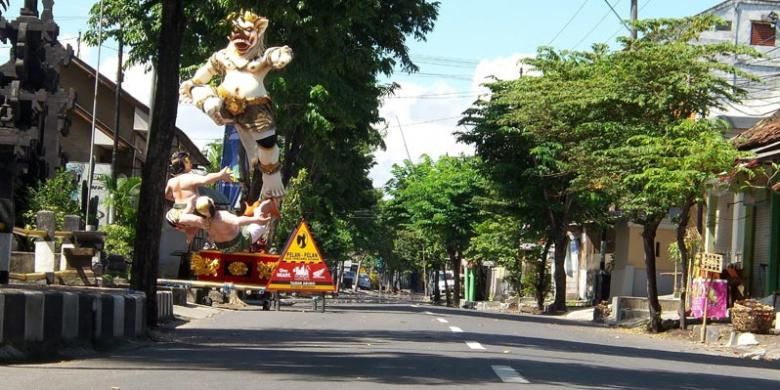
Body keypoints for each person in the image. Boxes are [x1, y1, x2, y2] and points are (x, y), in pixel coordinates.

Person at [164, 152, 234, 242]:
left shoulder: (171, 181)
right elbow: (205, 179)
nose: (191, 163)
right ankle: (200, 226)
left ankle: (190, 232)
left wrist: (175, 199)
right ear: (184, 163)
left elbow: (166, 195)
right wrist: (220, 175)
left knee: (191, 219)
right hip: (190, 212)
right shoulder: (189, 177)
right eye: (188, 161)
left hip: (174, 215)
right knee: (201, 208)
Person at [198, 197, 277, 252]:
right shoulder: (221, 215)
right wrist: (256, 219)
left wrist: (208, 244)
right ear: (212, 204)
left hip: (223, 249)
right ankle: (268, 204)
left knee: (247, 224)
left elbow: (211, 236)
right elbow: (237, 221)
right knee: (260, 214)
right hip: (240, 243)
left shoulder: (203, 221)